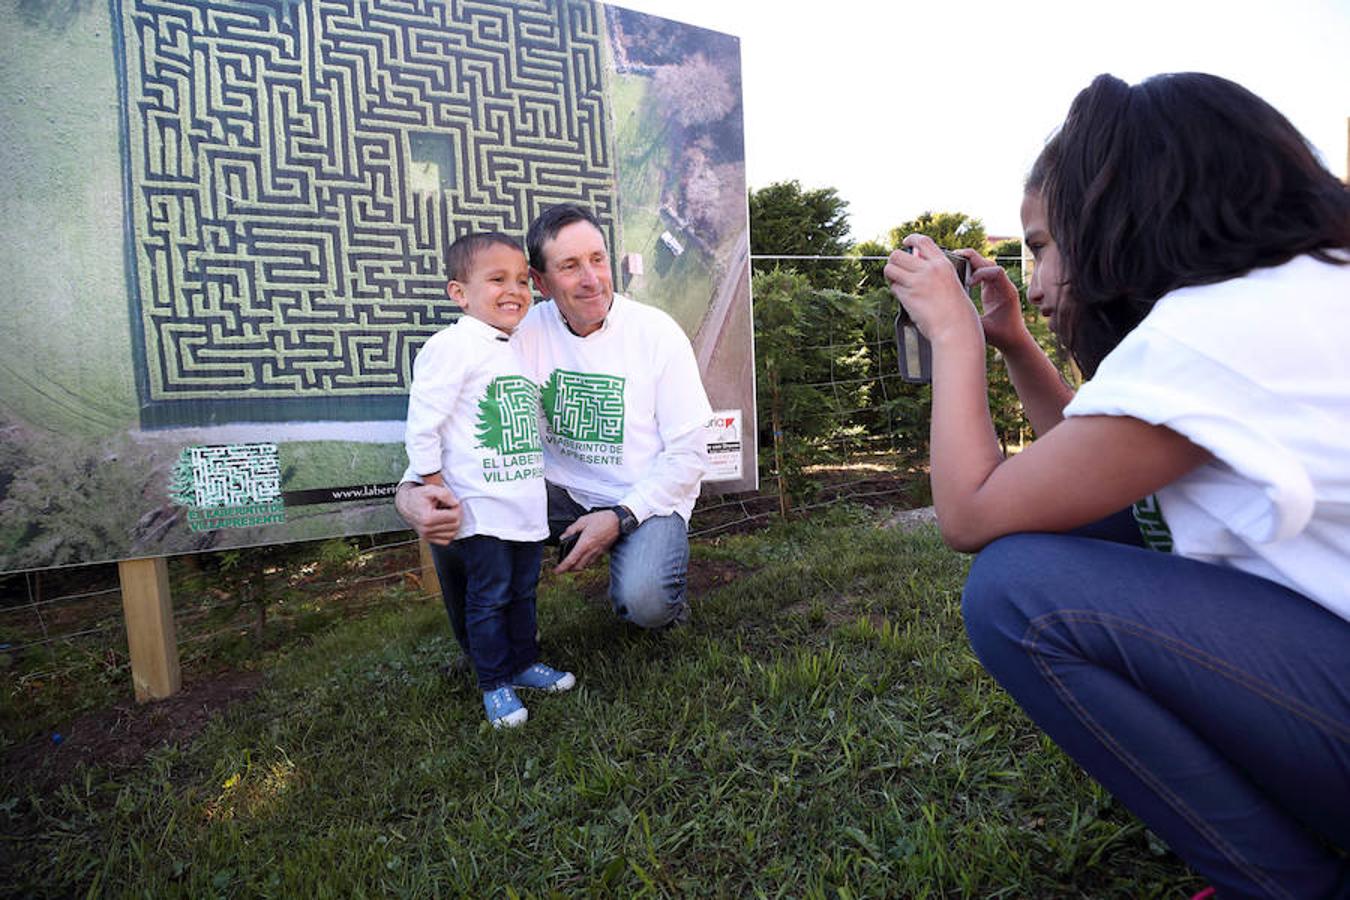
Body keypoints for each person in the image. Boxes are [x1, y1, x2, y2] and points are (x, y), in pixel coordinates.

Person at [884, 72, 1349, 897]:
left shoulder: (1213, 334)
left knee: (1018, 591)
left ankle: (1288, 884)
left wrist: (952, 336)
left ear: (1119, 214)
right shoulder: (1292, 289)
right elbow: (1086, 475)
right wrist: (1018, 346)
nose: (1032, 278)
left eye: (1040, 245)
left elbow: (970, 513)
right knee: (1086, 530)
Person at [397, 203, 711, 651]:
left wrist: (620, 517)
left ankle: (664, 601)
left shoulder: (656, 333)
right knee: (455, 508)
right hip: (553, 494)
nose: (592, 279)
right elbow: (450, 425)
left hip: (644, 496)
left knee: (647, 601)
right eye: (570, 266)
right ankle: (487, 653)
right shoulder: (517, 333)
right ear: (540, 283)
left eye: (597, 259)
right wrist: (411, 496)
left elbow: (689, 455)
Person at [404, 231, 575, 729]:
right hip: (479, 510)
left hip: (522, 506)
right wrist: (434, 486)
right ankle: (494, 682)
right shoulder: (452, 346)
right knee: (489, 595)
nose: (515, 290)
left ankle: (524, 662)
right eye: (497, 279)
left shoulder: (516, 347)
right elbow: (423, 424)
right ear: (460, 293)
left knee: (523, 590)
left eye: (522, 280)